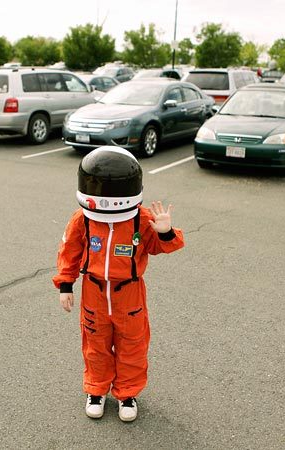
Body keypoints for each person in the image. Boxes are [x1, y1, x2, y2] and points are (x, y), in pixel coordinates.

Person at [52, 146, 185, 422]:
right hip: (95, 291)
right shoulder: (83, 219)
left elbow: (166, 246)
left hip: (129, 294)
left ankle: (127, 394)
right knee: (95, 345)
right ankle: (96, 390)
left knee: (133, 346)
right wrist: (66, 284)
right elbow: (69, 250)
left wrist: (166, 231)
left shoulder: (141, 219)